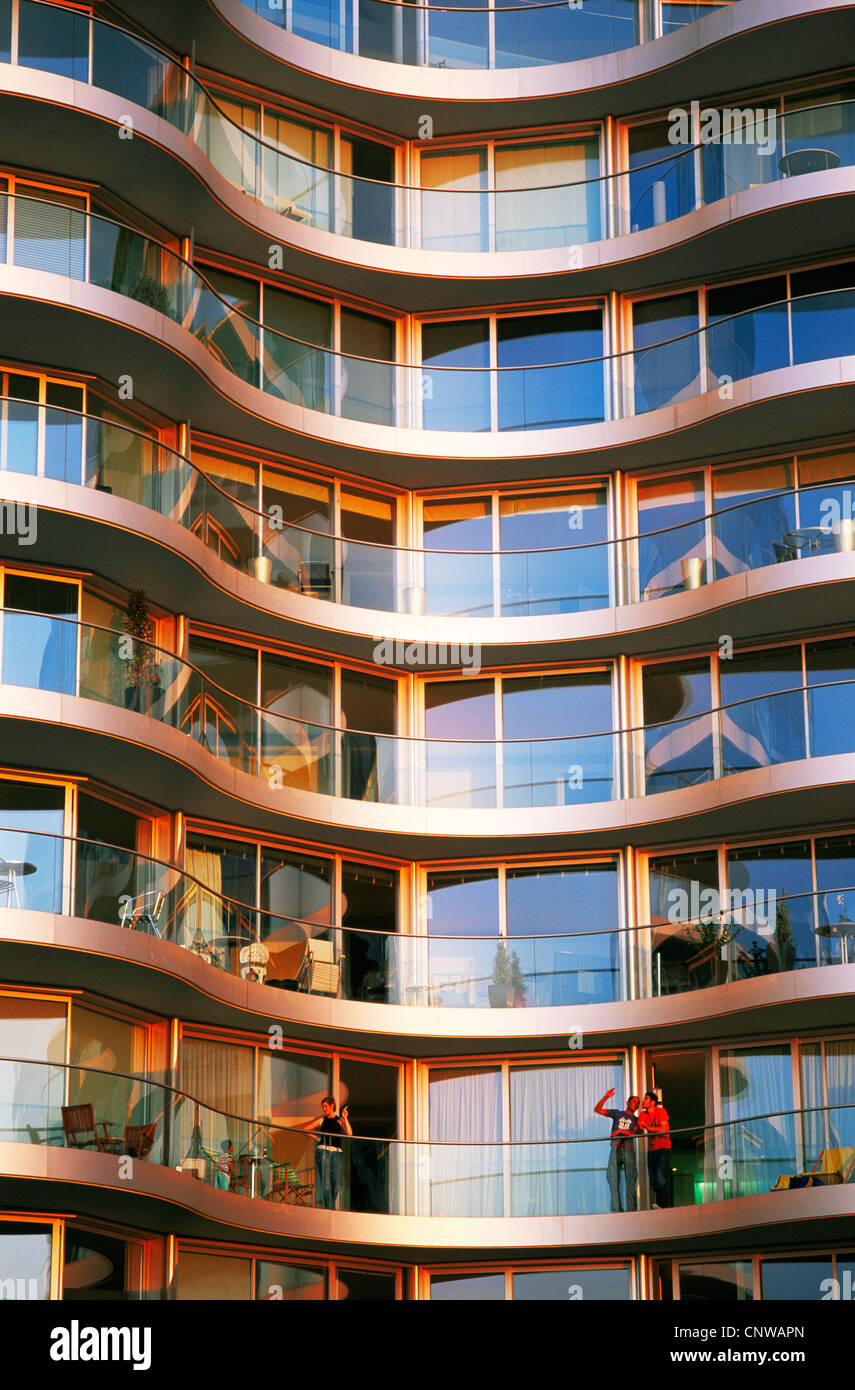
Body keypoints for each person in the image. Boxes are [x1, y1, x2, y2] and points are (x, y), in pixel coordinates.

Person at [594, 1087, 641, 1212]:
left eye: (637, 1103)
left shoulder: (637, 1120)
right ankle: (616, 1210)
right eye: (633, 1101)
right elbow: (597, 1109)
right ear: (627, 1103)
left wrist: (619, 1131)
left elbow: (636, 1133)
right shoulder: (617, 1113)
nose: (635, 1104)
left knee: (630, 1179)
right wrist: (606, 1097)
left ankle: (631, 1210)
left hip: (628, 1149)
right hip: (615, 1148)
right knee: (613, 1179)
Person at [305, 1096, 352, 1209]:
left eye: (326, 1106)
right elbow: (306, 1129)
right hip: (323, 1152)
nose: (324, 1109)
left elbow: (350, 1133)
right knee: (326, 1183)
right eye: (323, 1107)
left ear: (332, 1106)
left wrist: (345, 1117)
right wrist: (317, 1138)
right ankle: (330, 1209)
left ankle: (329, 1207)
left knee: (336, 1183)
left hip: (337, 1153)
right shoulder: (322, 1120)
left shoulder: (339, 1120)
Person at [639, 1090, 671, 1208]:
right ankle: (659, 1204)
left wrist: (647, 1127)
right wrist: (640, 1127)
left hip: (663, 1147)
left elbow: (664, 1130)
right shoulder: (643, 1114)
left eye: (645, 1099)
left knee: (660, 1176)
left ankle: (663, 1205)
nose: (643, 1101)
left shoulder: (660, 1111)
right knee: (653, 1179)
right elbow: (640, 1128)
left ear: (652, 1102)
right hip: (651, 1149)